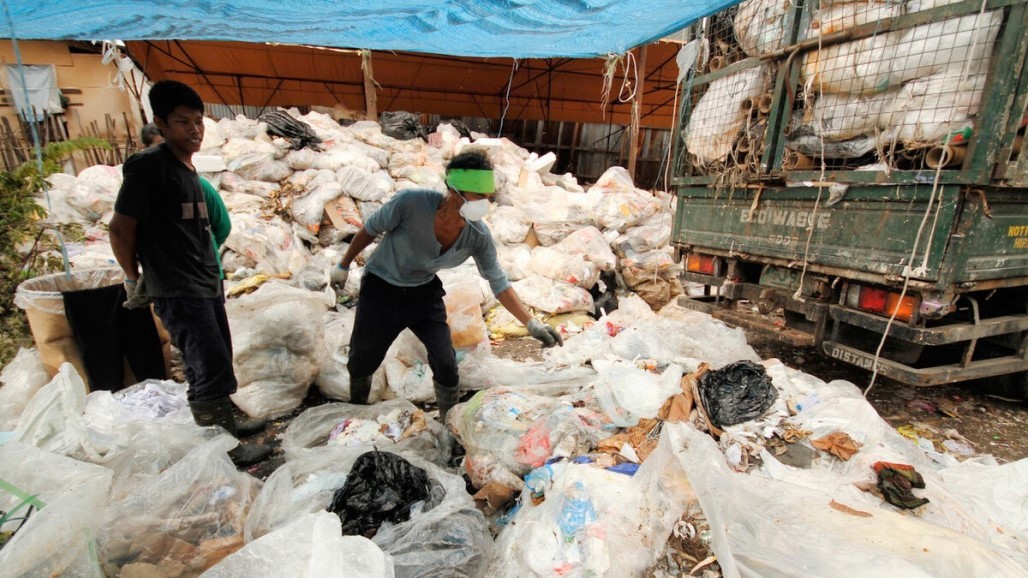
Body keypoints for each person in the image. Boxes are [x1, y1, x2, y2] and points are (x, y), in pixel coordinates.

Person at [329, 149, 563, 426]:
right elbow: (370, 229)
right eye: (479, 198)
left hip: (423, 293)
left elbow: (498, 282)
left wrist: (531, 323)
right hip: (382, 288)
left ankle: (448, 422)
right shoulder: (411, 204)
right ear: (455, 191)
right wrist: (343, 266)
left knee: (446, 361)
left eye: (488, 199)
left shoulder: (477, 235)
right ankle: (356, 414)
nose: (485, 205)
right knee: (363, 359)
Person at [110, 80, 270, 466]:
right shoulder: (150, 168)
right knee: (207, 361)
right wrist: (134, 277)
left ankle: (224, 419)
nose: (195, 130)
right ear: (161, 124)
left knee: (216, 357)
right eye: (184, 122)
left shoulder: (188, 171)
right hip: (178, 288)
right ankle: (224, 448)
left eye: (199, 121)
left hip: (204, 283)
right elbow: (120, 228)